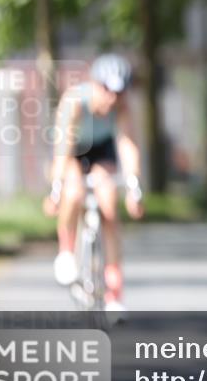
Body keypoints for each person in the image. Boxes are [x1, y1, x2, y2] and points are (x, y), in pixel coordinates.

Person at [43, 54, 144, 312]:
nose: (112, 98)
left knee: (109, 204)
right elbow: (63, 149)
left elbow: (127, 145)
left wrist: (134, 189)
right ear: (95, 84)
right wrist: (56, 189)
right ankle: (66, 250)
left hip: (102, 152)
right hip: (74, 150)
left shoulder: (121, 107)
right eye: (107, 89)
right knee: (74, 191)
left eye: (119, 93)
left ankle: (114, 292)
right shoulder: (75, 101)